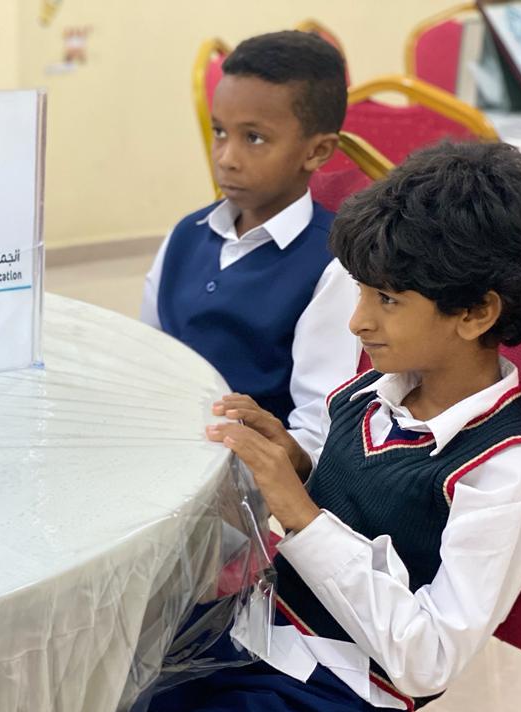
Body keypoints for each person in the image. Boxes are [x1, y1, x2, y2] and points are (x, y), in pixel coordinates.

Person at [135, 141, 521, 712]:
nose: (358, 322)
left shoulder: (507, 466)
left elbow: (428, 659)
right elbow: (361, 507)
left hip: (339, 697)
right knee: (99, 708)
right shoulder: (369, 394)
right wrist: (297, 464)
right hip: (256, 636)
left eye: (387, 300)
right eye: (361, 293)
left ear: (476, 312)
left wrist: (300, 514)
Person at [141, 31, 359, 455]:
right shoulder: (185, 234)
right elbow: (145, 357)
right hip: (159, 444)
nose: (226, 157)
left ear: (317, 152)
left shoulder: (332, 266)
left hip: (245, 472)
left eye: (253, 138)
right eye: (219, 132)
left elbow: (315, 437)